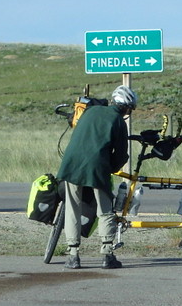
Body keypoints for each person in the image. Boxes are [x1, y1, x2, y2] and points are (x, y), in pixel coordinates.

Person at [56, 85, 137, 269]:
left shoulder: (90, 111)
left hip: (71, 164)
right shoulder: (118, 121)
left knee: (73, 208)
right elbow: (121, 155)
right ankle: (107, 254)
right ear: (125, 107)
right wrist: (112, 168)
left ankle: (73, 254)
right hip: (97, 168)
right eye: (129, 109)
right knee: (105, 210)